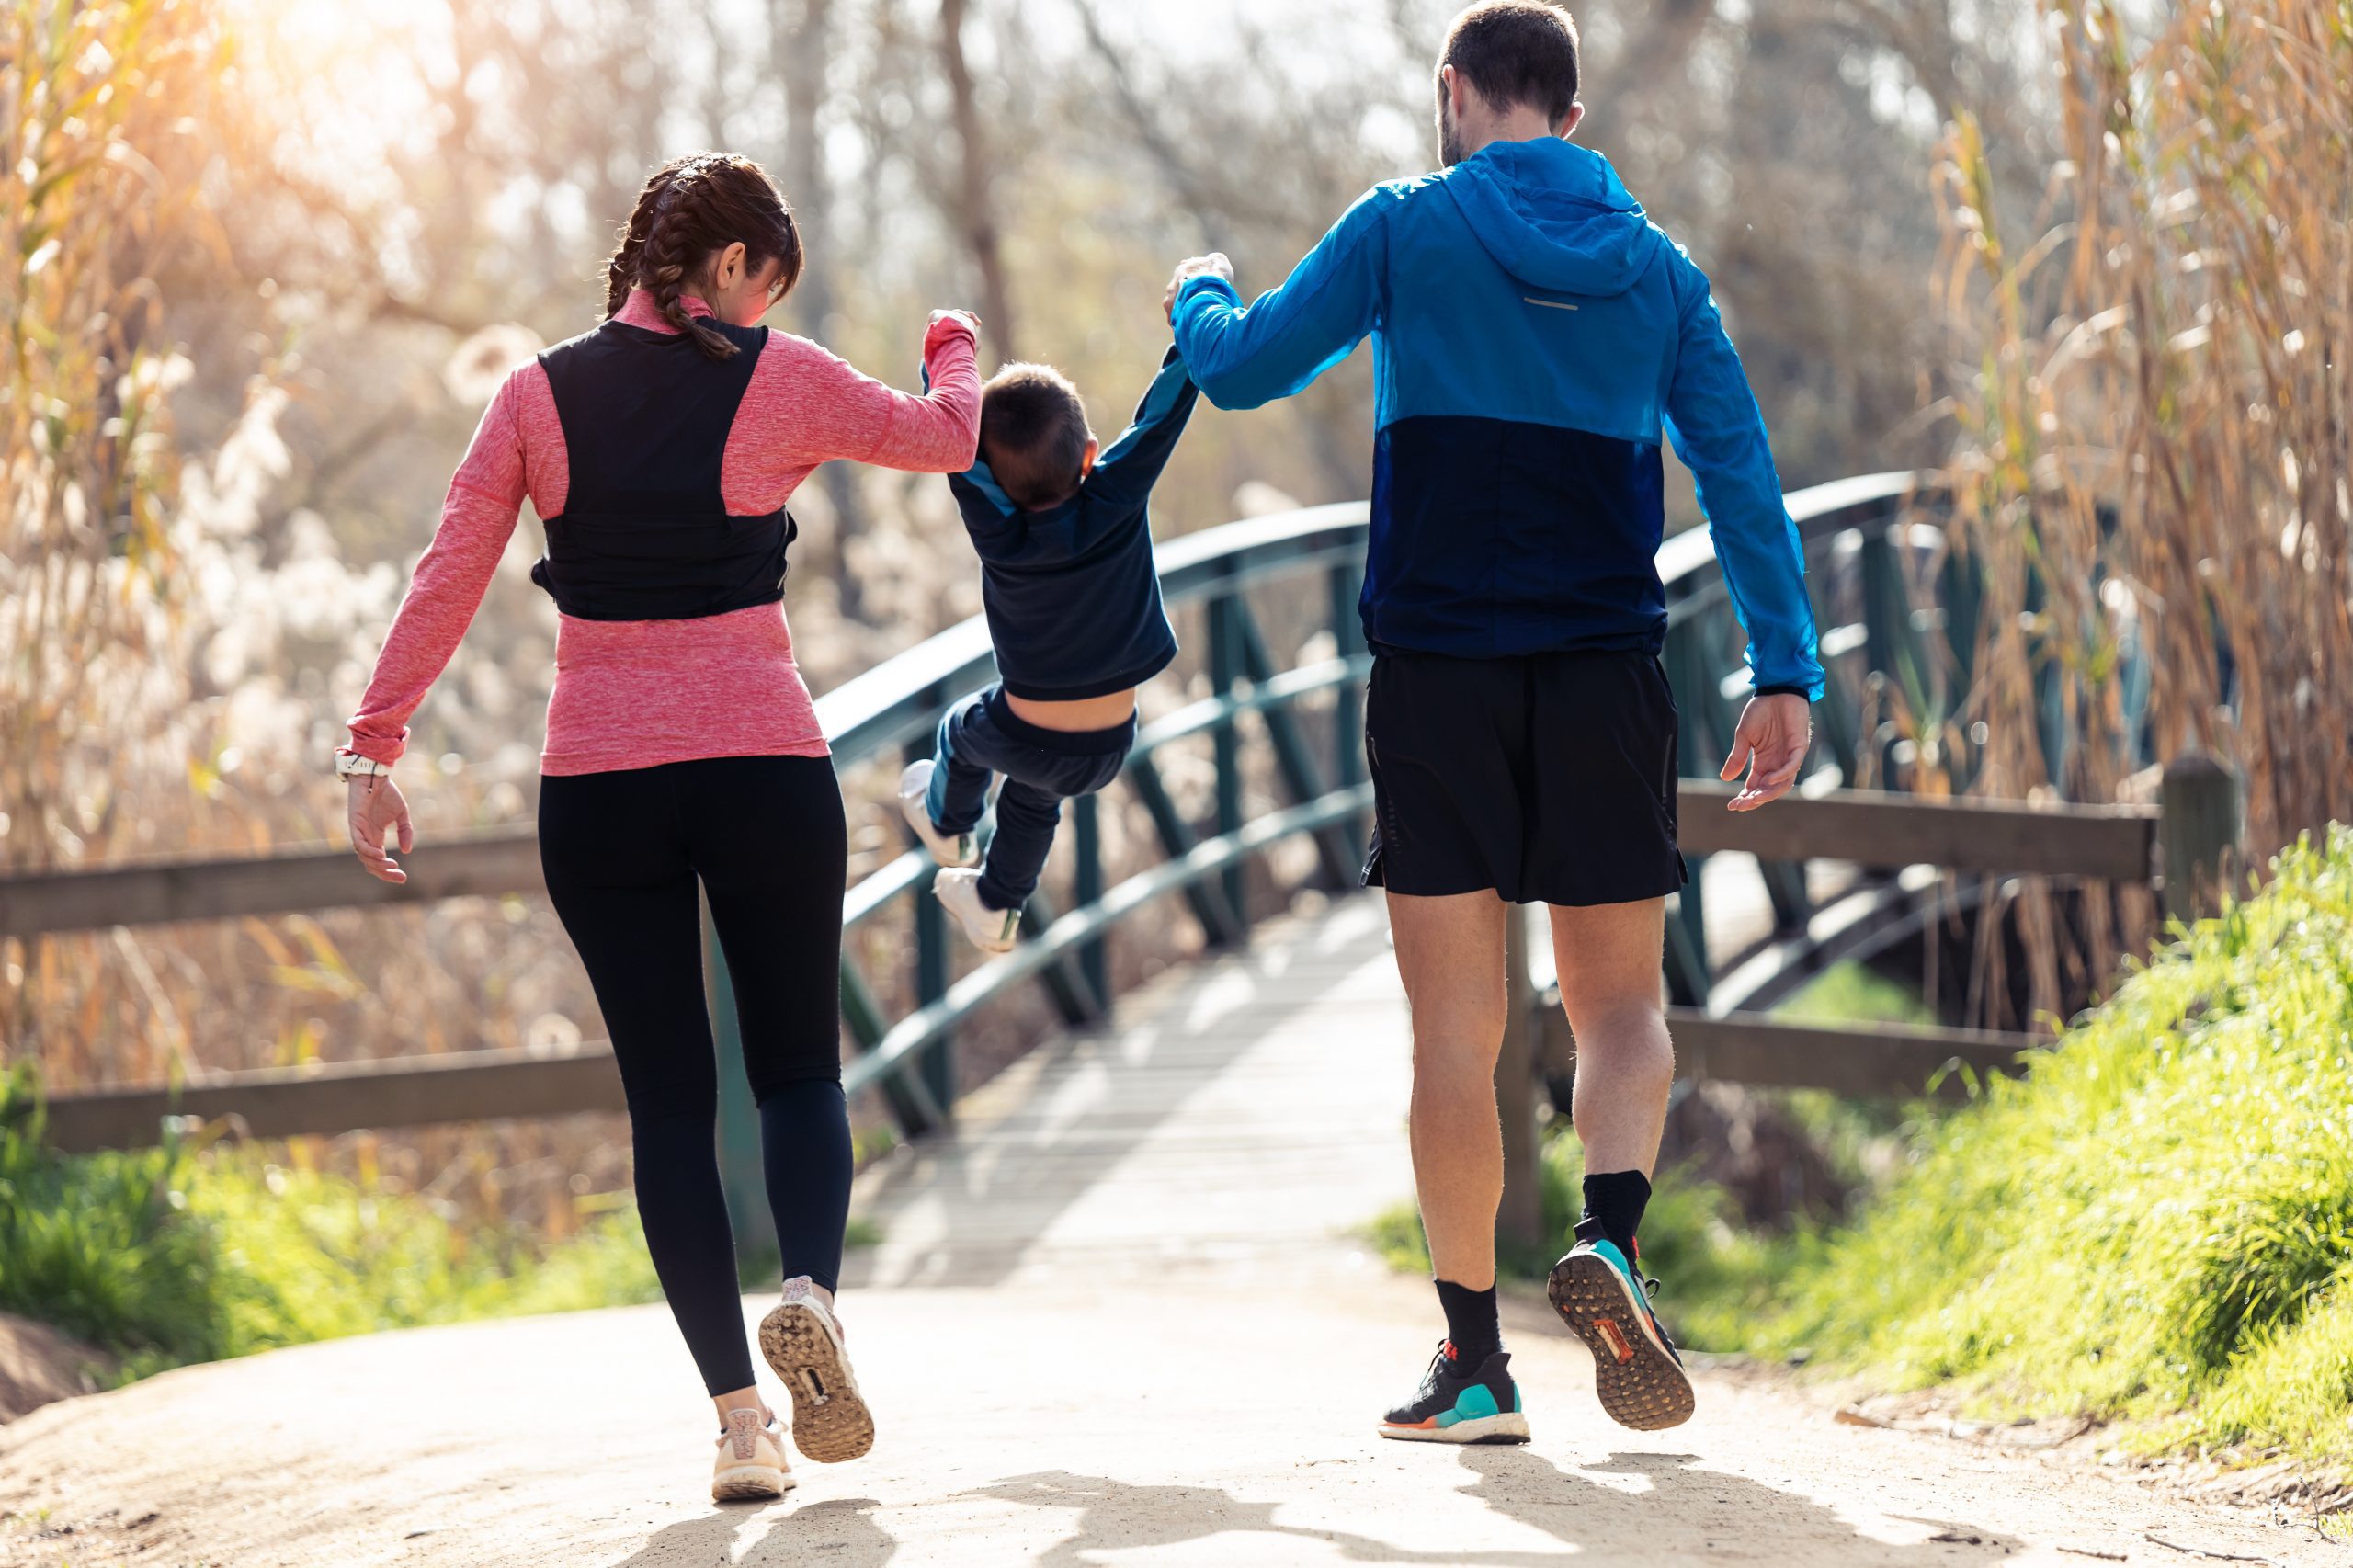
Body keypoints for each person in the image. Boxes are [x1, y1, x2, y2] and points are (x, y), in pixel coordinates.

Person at [1166, 0, 1822, 1442]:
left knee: (1453, 1037)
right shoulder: (1658, 273)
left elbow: (1244, 366)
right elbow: (1741, 474)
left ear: (1453, 91)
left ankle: (1474, 1366)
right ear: (1572, 117)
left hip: (1439, 680)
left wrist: (1196, 293)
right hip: (1604, 677)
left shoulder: (1407, 227)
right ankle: (1613, 1236)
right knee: (1623, 1008)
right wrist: (1787, 668)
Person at [337, 153, 982, 1500]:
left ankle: (743, 1428)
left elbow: (448, 573)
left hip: (602, 783)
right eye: (765, 286)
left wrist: (374, 745)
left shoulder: (534, 395)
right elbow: (946, 438)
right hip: (760, 762)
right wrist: (953, 347)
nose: (762, 312)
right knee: (800, 1068)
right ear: (732, 266)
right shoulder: (782, 375)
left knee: (669, 1103)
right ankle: (806, 1286)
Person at [895, 349, 1198, 952]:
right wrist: (1196, 302)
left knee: (960, 732)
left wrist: (944, 355)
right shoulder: (1117, 494)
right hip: (1110, 746)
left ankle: (949, 828)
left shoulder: (997, 529)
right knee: (1033, 794)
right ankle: (995, 900)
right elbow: (1162, 414)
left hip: (1024, 737)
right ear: (1088, 454)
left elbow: (957, 438)